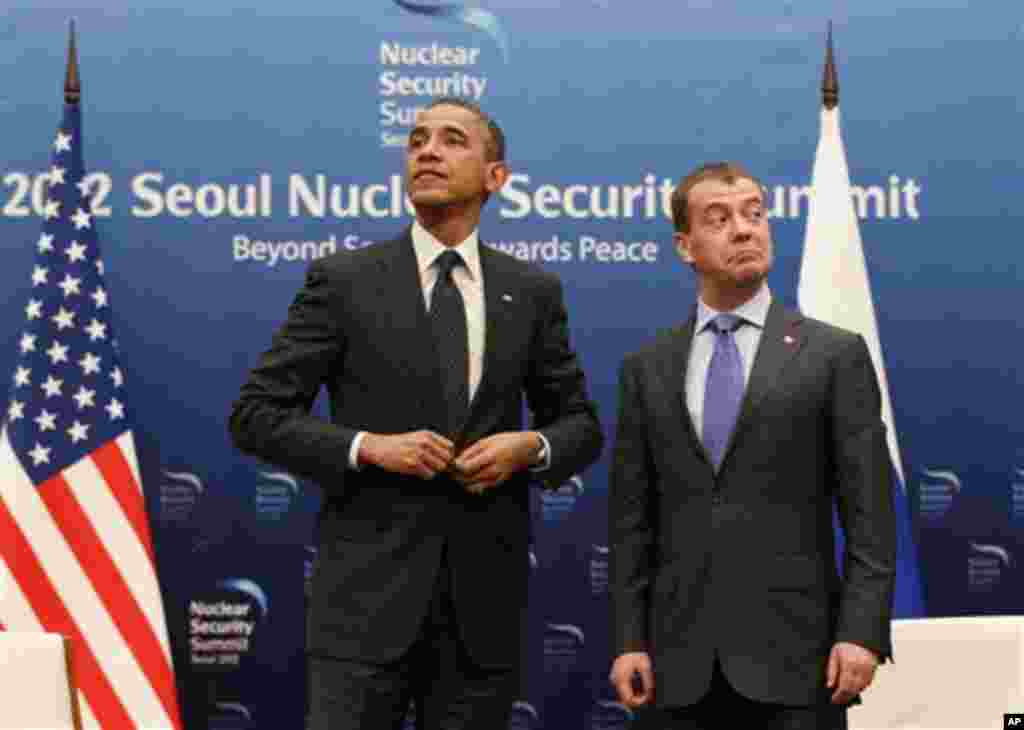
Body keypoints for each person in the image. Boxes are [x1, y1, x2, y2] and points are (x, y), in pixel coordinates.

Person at [229, 97, 603, 730]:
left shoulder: (532, 292)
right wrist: (367, 446)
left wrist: (528, 448)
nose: (427, 151)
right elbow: (256, 414)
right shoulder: (345, 281)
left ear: (496, 177)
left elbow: (580, 425)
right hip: (363, 610)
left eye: (453, 140)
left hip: (481, 615)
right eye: (417, 140)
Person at [608, 162, 895, 729]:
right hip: (677, 670)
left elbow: (871, 516)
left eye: (754, 215)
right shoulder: (647, 368)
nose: (744, 230)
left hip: (800, 664)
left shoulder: (833, 355)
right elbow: (631, 522)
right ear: (685, 247)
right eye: (719, 219)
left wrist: (861, 633)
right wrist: (628, 640)